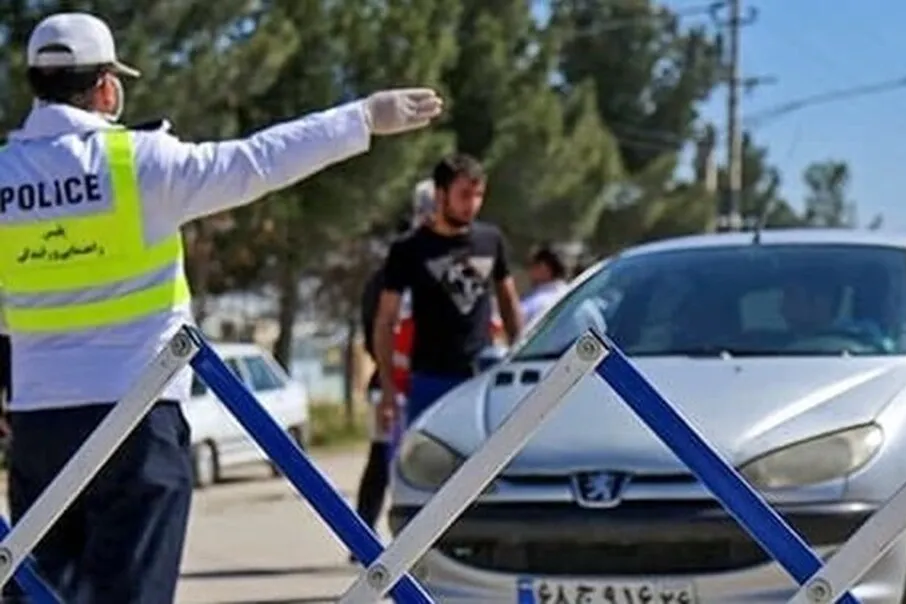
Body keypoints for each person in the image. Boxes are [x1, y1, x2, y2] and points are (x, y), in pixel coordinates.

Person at [0, 12, 442, 603]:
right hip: (137, 417)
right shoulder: (140, 164)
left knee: (39, 592)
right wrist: (359, 118)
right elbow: (257, 160)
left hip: (39, 422)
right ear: (106, 87)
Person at [372, 153, 523, 442]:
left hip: (483, 377)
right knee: (427, 462)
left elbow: (508, 301)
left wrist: (518, 355)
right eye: (464, 195)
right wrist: (388, 390)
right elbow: (386, 320)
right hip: (431, 379)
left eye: (479, 195)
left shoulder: (491, 240)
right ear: (441, 194)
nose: (473, 204)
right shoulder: (409, 249)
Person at [351, 185, 435, 544]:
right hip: (392, 382)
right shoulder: (392, 274)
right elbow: (375, 327)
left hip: (427, 379)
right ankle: (362, 534)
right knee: (385, 459)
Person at [519, 244, 570, 326]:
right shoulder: (570, 293)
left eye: (532, 265)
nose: (529, 271)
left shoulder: (537, 301)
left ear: (543, 267)